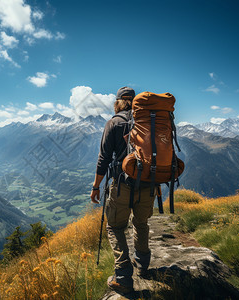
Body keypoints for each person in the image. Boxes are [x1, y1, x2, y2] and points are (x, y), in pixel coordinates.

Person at [90, 86, 156, 294]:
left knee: (115, 227)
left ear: (118, 102)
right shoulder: (148, 123)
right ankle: (143, 266)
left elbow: (103, 159)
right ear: (134, 102)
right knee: (141, 223)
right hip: (148, 184)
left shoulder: (114, 123)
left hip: (122, 185)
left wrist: (96, 186)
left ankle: (123, 276)